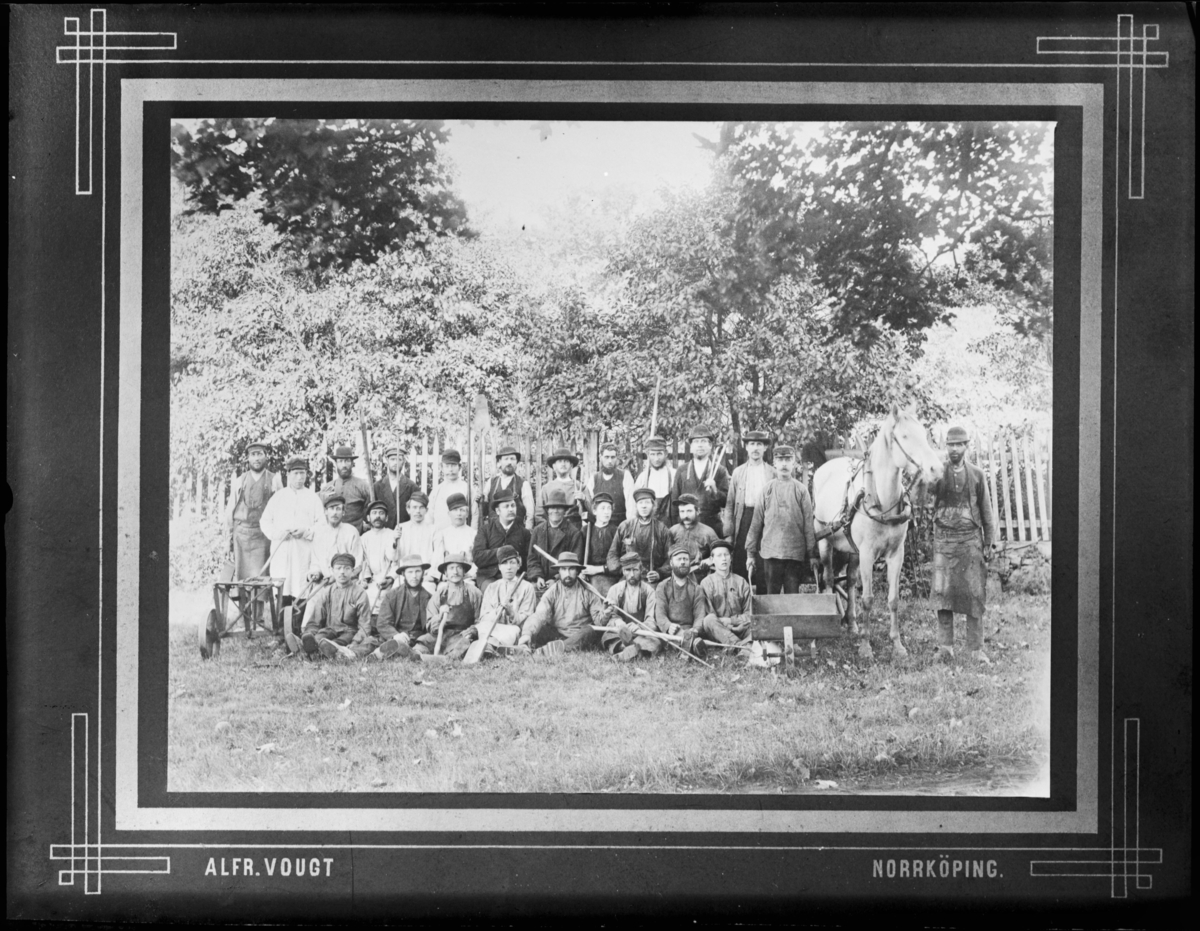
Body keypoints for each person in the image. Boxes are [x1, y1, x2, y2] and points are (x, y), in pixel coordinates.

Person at [929, 425, 998, 664]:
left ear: (966, 446)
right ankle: (945, 647)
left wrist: (989, 542)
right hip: (944, 542)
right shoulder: (938, 473)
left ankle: (976, 649)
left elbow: (986, 511)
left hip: (970, 542)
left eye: (959, 444)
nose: (955, 449)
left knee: (975, 594)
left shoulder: (977, 474)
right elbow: (922, 496)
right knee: (942, 594)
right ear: (946, 447)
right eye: (951, 445)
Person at [746, 445, 820, 595]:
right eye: (780, 460)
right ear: (775, 463)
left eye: (788, 459)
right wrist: (750, 554)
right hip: (771, 554)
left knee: (791, 598)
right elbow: (755, 524)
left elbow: (808, 525)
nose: (784, 464)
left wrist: (812, 555)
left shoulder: (801, 490)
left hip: (794, 554)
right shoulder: (766, 490)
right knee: (771, 597)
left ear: (794, 463)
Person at [259, 457, 324, 606]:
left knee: (300, 590)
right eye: (295, 473)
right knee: (281, 590)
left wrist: (306, 531)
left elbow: (322, 526)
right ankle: (281, 620)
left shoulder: (312, 498)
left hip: (303, 552)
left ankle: (298, 620)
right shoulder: (278, 497)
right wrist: (278, 534)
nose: (300, 477)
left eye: (302, 473)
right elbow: (265, 522)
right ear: (288, 474)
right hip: (281, 551)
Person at [517, 551, 607, 654]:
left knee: (590, 630)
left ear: (577, 571)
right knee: (538, 629)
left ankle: (553, 649)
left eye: (571, 569)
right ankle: (527, 647)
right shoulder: (552, 592)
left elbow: (598, 622)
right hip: (558, 634)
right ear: (558, 571)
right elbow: (539, 615)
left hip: (579, 635)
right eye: (564, 569)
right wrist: (527, 634)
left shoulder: (589, 591)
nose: (567, 574)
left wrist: (606, 613)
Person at [722, 430, 777, 593]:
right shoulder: (738, 472)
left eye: (759, 444)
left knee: (764, 561)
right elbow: (730, 504)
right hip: (744, 518)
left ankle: (763, 600)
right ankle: (742, 599)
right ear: (746, 447)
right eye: (751, 444)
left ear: (765, 448)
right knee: (741, 561)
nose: (755, 448)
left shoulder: (772, 473)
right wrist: (729, 533)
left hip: (766, 520)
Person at [224, 441, 282, 582]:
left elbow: (281, 512)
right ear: (248, 458)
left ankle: (261, 598)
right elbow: (229, 514)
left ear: (266, 456)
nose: (256, 458)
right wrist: (227, 541)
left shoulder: (274, 480)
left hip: (264, 538)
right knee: (242, 582)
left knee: (262, 580)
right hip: (241, 538)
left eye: (260, 454)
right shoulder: (240, 481)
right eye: (253, 455)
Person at [296, 552, 370, 662]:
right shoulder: (326, 592)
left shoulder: (359, 593)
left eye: (347, 568)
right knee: (319, 637)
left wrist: (356, 642)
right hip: (329, 629)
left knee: (335, 643)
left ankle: (317, 651)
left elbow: (364, 625)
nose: (342, 572)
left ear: (352, 571)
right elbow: (315, 620)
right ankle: (309, 646)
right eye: (338, 568)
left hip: (349, 631)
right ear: (332, 570)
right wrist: (310, 633)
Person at [362, 555, 434, 661]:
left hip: (417, 639)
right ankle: (349, 653)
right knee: (370, 642)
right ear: (403, 574)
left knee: (422, 647)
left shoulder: (430, 598)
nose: (414, 576)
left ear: (423, 573)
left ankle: (390, 652)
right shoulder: (392, 595)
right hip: (395, 635)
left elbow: (432, 626)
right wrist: (395, 635)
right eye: (410, 572)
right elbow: (383, 623)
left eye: (418, 571)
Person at [600, 551, 664, 662]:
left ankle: (625, 651)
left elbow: (651, 621)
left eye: (635, 570)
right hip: (620, 633)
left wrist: (639, 626)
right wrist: (617, 621)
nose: (632, 575)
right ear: (623, 571)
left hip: (641, 633)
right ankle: (634, 649)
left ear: (641, 570)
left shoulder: (649, 591)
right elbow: (606, 621)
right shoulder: (615, 589)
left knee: (655, 642)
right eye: (628, 570)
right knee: (607, 636)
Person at [419, 552, 484, 659]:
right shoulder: (439, 594)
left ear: (464, 571)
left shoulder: (474, 593)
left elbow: (480, 621)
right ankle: (417, 654)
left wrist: (471, 631)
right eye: (451, 568)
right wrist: (439, 617)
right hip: (441, 635)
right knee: (422, 642)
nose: (455, 572)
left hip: (461, 635)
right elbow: (430, 625)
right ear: (445, 572)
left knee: (464, 644)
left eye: (459, 568)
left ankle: (447, 658)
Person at [476, 545, 538, 655]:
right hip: (494, 627)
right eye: (504, 563)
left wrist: (511, 613)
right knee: (482, 627)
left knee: (513, 631)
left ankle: (492, 647)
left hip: (514, 629)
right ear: (499, 567)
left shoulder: (527, 587)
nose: (508, 567)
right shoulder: (491, 587)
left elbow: (527, 619)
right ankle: (494, 647)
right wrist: (497, 612)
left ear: (518, 565)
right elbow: (484, 617)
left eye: (512, 562)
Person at [654, 544, 712, 656]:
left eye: (685, 559)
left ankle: (690, 644)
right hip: (671, 632)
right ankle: (693, 645)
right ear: (671, 563)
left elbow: (700, 615)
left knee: (689, 636)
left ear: (690, 563)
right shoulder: (663, 586)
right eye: (679, 559)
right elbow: (660, 614)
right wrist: (668, 626)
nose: (683, 562)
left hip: (690, 631)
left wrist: (695, 629)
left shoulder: (697, 589)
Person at [605, 487, 671, 585]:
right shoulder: (625, 526)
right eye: (640, 503)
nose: (644, 506)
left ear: (653, 505)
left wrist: (659, 573)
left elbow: (670, 558)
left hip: (651, 579)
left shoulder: (662, 529)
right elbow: (612, 555)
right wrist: (622, 570)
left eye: (647, 502)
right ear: (636, 506)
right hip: (628, 577)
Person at [670, 425, 729, 533]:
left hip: (712, 528)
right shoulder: (682, 471)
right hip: (687, 528)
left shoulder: (720, 470)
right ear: (691, 446)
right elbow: (674, 504)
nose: (700, 445)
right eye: (696, 441)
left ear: (710, 445)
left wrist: (715, 491)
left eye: (703, 441)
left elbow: (726, 502)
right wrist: (677, 530)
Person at [472, 489, 532, 595]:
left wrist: (516, 560)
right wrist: (502, 552)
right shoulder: (485, 530)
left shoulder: (524, 533)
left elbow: (529, 560)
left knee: (518, 591)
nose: (511, 509)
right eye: (506, 506)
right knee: (492, 592)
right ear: (498, 511)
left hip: (515, 575)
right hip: (489, 576)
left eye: (513, 506)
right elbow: (478, 557)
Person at [696, 539, 754, 648]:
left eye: (726, 555)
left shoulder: (741, 582)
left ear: (731, 558)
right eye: (719, 556)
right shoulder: (706, 583)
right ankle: (740, 645)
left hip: (740, 627)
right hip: (718, 630)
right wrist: (725, 625)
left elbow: (749, 613)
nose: (723, 558)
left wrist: (732, 621)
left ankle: (736, 646)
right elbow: (708, 613)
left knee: (755, 625)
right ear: (712, 559)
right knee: (708, 620)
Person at [526, 488, 584, 592]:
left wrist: (556, 579)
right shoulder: (538, 531)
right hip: (540, 581)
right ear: (547, 510)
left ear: (565, 511)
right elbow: (532, 559)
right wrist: (538, 577)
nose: (555, 511)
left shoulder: (574, 533)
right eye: (552, 508)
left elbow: (575, 563)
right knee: (530, 591)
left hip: (564, 580)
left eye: (559, 508)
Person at [308, 494, 365, 583]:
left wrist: (339, 577)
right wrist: (316, 573)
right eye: (331, 508)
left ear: (343, 512)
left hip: (347, 582)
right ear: (325, 512)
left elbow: (358, 562)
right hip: (324, 582)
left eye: (338, 509)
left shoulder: (351, 531)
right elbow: (316, 561)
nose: (335, 512)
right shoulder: (319, 533)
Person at [479, 445, 536, 531]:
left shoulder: (524, 484)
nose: (509, 462)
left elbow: (530, 513)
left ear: (516, 462)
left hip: (516, 533)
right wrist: (481, 500)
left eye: (512, 459)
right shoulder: (491, 482)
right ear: (499, 462)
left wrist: (527, 531)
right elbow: (484, 509)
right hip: (493, 533)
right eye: (506, 459)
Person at [320, 445, 373, 533]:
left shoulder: (363, 486)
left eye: (347, 461)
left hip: (356, 534)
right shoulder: (328, 488)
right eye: (340, 461)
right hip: (332, 535)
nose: (344, 465)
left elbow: (371, 510)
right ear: (336, 464)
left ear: (352, 463)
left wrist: (366, 524)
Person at [669, 492, 720, 581]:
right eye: (682, 511)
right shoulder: (673, 531)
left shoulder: (708, 532)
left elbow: (719, 554)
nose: (685, 515)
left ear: (698, 511)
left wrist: (708, 561)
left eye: (689, 511)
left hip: (700, 577)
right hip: (677, 577)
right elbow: (666, 557)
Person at [393, 491, 438, 591]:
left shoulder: (433, 529)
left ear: (426, 510)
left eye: (421, 507)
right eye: (414, 507)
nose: (418, 511)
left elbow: (437, 555)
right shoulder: (400, 528)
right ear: (408, 509)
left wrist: (431, 576)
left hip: (425, 576)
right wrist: (394, 541)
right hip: (405, 575)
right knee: (397, 592)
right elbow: (394, 558)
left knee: (427, 591)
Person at [359, 500, 397, 614]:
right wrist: (365, 579)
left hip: (390, 578)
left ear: (386, 518)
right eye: (374, 513)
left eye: (381, 513)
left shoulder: (392, 535)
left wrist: (390, 579)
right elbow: (364, 562)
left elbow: (396, 561)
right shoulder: (364, 538)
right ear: (368, 517)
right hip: (373, 579)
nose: (378, 516)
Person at [580, 492, 621, 597]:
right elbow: (579, 556)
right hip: (587, 574)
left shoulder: (616, 531)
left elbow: (619, 561)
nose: (606, 512)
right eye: (602, 508)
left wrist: (599, 569)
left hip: (609, 575)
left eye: (609, 508)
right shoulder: (586, 531)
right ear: (594, 511)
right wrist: (581, 571)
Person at [537, 447, 588, 529]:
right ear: (554, 466)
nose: (563, 464)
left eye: (566, 461)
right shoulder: (546, 488)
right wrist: (548, 531)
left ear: (571, 465)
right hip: (553, 530)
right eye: (560, 461)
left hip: (574, 530)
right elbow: (540, 515)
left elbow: (589, 512)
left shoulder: (580, 486)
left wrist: (583, 500)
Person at [432, 492, 478, 584]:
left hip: (467, 578)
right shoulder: (442, 534)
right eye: (455, 510)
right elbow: (437, 559)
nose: (459, 513)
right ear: (449, 514)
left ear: (467, 513)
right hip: (446, 579)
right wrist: (443, 576)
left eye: (462, 510)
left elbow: (477, 561)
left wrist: (469, 574)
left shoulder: (474, 534)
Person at [587, 442, 635, 527]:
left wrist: (628, 528)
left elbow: (631, 506)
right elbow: (590, 506)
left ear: (617, 458)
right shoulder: (594, 478)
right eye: (606, 457)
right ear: (601, 458)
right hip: (600, 526)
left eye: (613, 457)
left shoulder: (625, 476)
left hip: (620, 526)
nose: (610, 461)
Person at [372, 443, 418, 529]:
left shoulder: (412, 487)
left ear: (403, 461)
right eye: (392, 459)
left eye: (399, 459)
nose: (395, 463)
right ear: (387, 460)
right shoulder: (377, 487)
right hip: (383, 532)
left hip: (404, 532)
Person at [428, 449, 473, 534]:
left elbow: (474, 514)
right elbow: (429, 516)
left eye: (454, 465)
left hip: (461, 535)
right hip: (440, 535)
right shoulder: (437, 490)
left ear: (459, 467)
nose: (450, 469)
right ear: (442, 468)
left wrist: (473, 536)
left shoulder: (466, 488)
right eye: (447, 466)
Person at [632, 435, 675, 524]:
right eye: (652, 454)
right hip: (649, 524)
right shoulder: (643, 478)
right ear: (648, 454)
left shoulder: (674, 474)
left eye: (659, 454)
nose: (656, 459)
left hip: (669, 523)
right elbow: (635, 505)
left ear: (666, 453)